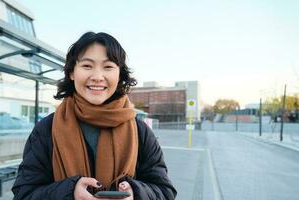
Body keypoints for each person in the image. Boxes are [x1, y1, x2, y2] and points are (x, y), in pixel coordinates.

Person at [12, 32, 177, 200]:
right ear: (71, 72)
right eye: (87, 66)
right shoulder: (46, 129)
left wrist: (136, 193)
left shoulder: (140, 131)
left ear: (119, 75)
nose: (97, 77)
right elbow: (24, 193)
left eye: (108, 67)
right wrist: (70, 192)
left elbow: (165, 192)